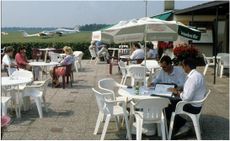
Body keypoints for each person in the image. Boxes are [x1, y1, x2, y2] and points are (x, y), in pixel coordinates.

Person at [166, 57, 207, 137]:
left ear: (187, 66)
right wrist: (181, 88)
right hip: (197, 104)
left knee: (166, 106)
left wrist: (176, 92)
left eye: (183, 66)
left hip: (193, 106)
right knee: (171, 102)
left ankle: (184, 125)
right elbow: (191, 89)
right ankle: (181, 124)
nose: (182, 68)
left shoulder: (192, 78)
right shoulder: (198, 75)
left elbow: (186, 98)